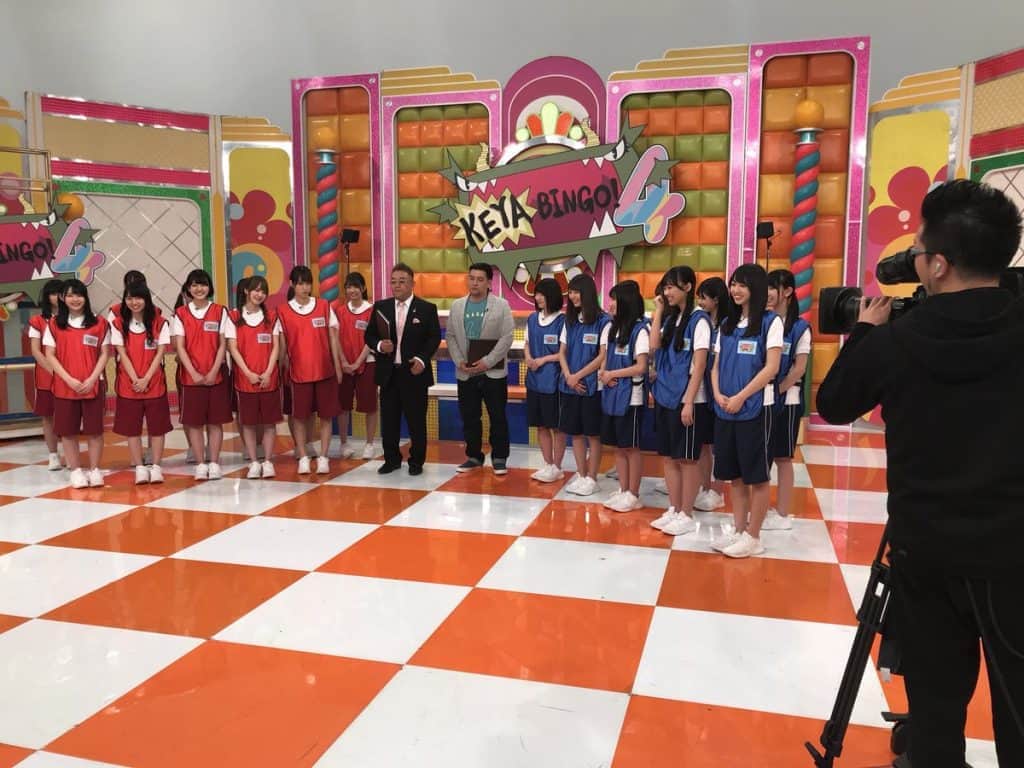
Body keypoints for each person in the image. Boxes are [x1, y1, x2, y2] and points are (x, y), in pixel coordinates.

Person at [817, 180, 1024, 767]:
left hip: (925, 553)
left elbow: (833, 402)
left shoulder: (898, 340)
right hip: (1014, 555)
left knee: (934, 712)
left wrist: (864, 330)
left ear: (936, 264)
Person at [710, 263, 783, 559]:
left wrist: (741, 396)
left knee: (757, 476)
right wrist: (717, 393)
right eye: (733, 284)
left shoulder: (770, 322)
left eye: (742, 285)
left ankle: (754, 536)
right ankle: (739, 530)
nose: (735, 290)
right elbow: (715, 366)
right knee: (735, 476)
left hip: (755, 409)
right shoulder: (727, 324)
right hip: (725, 409)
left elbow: (772, 367)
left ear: (756, 288)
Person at [649, 267, 712, 535]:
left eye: (672, 287)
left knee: (687, 459)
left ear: (688, 287)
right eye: (665, 287)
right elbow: (653, 346)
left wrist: (688, 401)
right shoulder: (670, 318)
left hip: (688, 399)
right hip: (665, 396)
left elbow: (700, 365)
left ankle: (686, 513)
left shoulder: (699, 321)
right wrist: (658, 312)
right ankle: (674, 509)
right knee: (669, 458)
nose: (667, 292)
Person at [364, 262, 441, 476]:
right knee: (389, 421)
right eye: (393, 282)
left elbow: (434, 338)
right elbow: (369, 335)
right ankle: (391, 460)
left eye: (402, 281)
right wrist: (380, 345)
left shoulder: (426, 309)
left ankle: (416, 462)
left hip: (414, 373)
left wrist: (422, 359)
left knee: (416, 421)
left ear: (412, 284)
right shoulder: (381, 307)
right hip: (389, 374)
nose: (397, 285)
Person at [447, 262, 515, 475]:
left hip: (493, 372)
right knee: (469, 417)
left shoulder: (501, 305)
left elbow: (507, 337)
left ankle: (499, 457)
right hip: (465, 372)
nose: (474, 283)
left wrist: (488, 361)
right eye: (471, 278)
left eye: (480, 279)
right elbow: (450, 336)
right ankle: (474, 456)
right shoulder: (457, 305)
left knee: (497, 416)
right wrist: (459, 361)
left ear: (488, 282)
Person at [43, 279, 110, 489]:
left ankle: (95, 470)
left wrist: (91, 379)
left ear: (85, 297)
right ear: (63, 298)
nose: (75, 299)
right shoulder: (54, 324)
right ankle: (76, 471)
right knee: (68, 432)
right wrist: (69, 379)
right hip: (65, 388)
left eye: (79, 295)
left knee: (95, 431)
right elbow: (50, 354)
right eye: (70, 295)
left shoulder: (99, 323)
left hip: (93, 386)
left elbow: (104, 354)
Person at [277, 265, 342, 475]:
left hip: (325, 372)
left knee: (326, 416)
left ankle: (324, 457)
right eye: (300, 284)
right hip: (298, 374)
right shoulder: (283, 311)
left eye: (307, 283)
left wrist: (338, 366)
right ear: (292, 285)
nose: (305, 288)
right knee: (299, 417)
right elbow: (282, 346)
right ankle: (303, 456)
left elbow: (333, 339)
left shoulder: (323, 306)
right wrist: (279, 369)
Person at [763, 269, 811, 530]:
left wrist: (778, 389)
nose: (768, 293)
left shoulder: (800, 328)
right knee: (765, 454)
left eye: (773, 287)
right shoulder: (765, 322)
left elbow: (799, 369)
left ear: (788, 291)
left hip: (787, 401)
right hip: (765, 400)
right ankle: (763, 508)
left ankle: (782, 514)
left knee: (783, 458)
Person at [172, 268, 231, 481]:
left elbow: (223, 344)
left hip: (216, 376)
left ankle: (214, 463)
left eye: (203, 284)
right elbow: (180, 347)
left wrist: (214, 371)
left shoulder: (220, 311)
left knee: (215, 422)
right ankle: (200, 464)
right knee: (195, 423)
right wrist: (194, 373)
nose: (199, 289)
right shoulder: (180, 314)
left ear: (209, 287)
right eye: (194, 285)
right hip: (190, 379)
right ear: (188, 289)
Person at [111, 280, 172, 484]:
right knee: (132, 430)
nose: (134, 302)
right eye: (129, 298)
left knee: (157, 429)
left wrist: (146, 378)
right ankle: (139, 467)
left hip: (154, 384)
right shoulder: (118, 324)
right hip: (128, 386)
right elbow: (122, 354)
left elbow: (160, 353)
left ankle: (156, 467)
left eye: (138, 298)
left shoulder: (160, 323)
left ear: (146, 299)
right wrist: (136, 379)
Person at [598, 280, 650, 512]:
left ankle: (634, 494)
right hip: (612, 394)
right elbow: (605, 358)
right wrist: (604, 374)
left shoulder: (640, 330)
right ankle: (623, 489)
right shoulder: (612, 328)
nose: (610, 304)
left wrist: (613, 374)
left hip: (632, 397)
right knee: (618, 447)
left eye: (614, 300)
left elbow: (641, 366)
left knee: (631, 447)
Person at [226, 275, 282, 479]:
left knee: (269, 423)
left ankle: (267, 461)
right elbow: (232, 348)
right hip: (245, 380)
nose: (259, 294)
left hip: (269, 379)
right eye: (256, 290)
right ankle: (253, 462)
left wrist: (268, 372)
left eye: (263, 291)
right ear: (246, 291)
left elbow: (276, 347)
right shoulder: (233, 317)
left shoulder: (272, 317)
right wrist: (248, 373)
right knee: (248, 423)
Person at [558, 273, 609, 496]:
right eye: (570, 292)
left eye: (577, 292)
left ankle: (592, 478)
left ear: (587, 293)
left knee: (593, 434)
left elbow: (602, 356)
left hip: (591, 387)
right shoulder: (569, 320)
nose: (573, 296)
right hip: (570, 385)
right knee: (576, 433)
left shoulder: (603, 321)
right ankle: (581, 474)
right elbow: (562, 352)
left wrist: (578, 376)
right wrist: (569, 376)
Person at [524, 278, 566, 483]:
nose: (538, 298)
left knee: (556, 427)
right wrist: (528, 358)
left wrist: (543, 360)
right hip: (534, 380)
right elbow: (527, 343)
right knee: (540, 425)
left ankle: (557, 467)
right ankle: (548, 464)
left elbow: (564, 353)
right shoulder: (532, 318)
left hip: (553, 381)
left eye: (542, 294)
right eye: (537, 294)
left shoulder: (563, 321)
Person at [693, 277, 730, 512]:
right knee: (704, 444)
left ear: (716, 299)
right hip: (703, 391)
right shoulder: (700, 322)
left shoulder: (727, 324)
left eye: (703, 297)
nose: (700, 302)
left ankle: (718, 490)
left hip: (722, 391)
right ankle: (705, 487)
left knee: (721, 445)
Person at [335, 272, 378, 460]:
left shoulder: (372, 310)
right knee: (343, 406)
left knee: (370, 406)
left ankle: (369, 444)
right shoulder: (340, 312)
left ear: (363, 288)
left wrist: (358, 362)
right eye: (349, 287)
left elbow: (372, 339)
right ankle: (344, 443)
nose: (352, 290)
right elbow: (335, 339)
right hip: (344, 365)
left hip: (367, 363)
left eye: (356, 286)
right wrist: (344, 362)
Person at [28, 278, 65, 470]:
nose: (57, 297)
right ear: (46, 297)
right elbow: (36, 351)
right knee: (48, 417)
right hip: (46, 378)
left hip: (69, 376)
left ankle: (70, 453)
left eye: (60, 293)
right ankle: (53, 455)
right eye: (53, 293)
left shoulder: (72, 319)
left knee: (68, 416)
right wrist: (54, 371)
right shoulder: (37, 321)